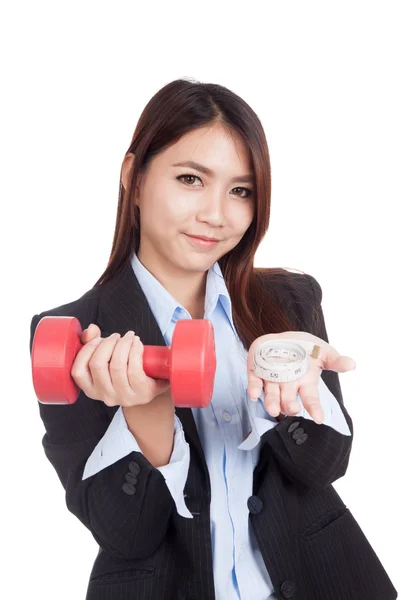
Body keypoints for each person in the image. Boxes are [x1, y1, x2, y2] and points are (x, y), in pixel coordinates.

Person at [29, 78, 397, 600]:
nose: (217, 215)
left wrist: (287, 388)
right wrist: (147, 416)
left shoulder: (287, 304)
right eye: (190, 179)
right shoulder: (75, 332)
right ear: (133, 177)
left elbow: (324, 467)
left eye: (241, 190)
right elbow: (126, 536)